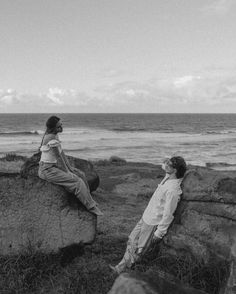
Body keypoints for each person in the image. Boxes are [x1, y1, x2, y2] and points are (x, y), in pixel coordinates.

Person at [110, 156, 187, 274]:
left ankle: (125, 272)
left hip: (152, 223)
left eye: (168, 164)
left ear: (175, 170)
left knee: (139, 250)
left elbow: (168, 214)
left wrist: (159, 233)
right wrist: (169, 161)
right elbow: (165, 166)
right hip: (146, 217)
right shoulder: (168, 177)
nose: (165, 165)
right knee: (131, 239)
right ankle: (122, 268)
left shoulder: (173, 190)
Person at [38, 115, 103, 216]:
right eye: (59, 126)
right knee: (77, 181)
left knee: (80, 174)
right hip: (47, 170)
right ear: (53, 128)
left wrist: (70, 168)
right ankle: (91, 207)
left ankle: (90, 200)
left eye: (61, 125)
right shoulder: (51, 138)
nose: (61, 127)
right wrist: (67, 172)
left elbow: (61, 153)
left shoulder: (55, 135)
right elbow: (58, 158)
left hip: (53, 167)